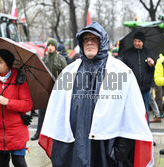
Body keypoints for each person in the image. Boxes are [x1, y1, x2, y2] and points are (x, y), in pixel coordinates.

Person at [39, 22, 153, 167]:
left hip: (106, 150)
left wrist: (120, 151)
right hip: (74, 148)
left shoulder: (120, 71)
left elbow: (133, 113)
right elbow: (57, 111)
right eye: (86, 39)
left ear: (103, 42)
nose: (90, 42)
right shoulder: (69, 72)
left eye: (94, 39)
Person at [31, 38, 67, 141]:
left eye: (52, 45)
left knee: (55, 113)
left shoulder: (61, 59)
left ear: (55, 47)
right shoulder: (44, 59)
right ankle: (38, 132)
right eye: (49, 45)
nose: (50, 47)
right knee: (42, 113)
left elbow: (65, 75)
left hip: (56, 91)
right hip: (44, 90)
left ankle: (54, 134)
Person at [121, 31, 155, 124]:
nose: (136, 43)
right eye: (135, 41)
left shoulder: (149, 52)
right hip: (131, 89)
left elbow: (153, 71)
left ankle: (146, 136)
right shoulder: (127, 54)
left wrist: (152, 65)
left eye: (139, 41)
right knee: (132, 113)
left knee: (145, 112)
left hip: (145, 89)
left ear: (143, 42)